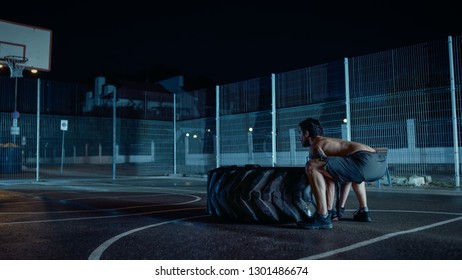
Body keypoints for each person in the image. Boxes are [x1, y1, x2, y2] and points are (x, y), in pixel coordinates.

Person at [296, 117, 387, 229]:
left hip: (364, 161)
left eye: (299, 133)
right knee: (354, 173)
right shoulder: (330, 142)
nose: (299, 137)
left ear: (306, 133)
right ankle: (364, 211)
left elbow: (329, 181)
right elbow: (335, 177)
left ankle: (322, 216)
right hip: (379, 163)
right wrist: (338, 209)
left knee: (311, 165)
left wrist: (331, 212)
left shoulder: (316, 146)